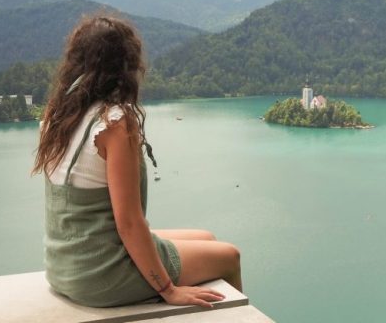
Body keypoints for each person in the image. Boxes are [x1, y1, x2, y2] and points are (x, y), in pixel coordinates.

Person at [32, 15, 241, 308]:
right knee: (229, 256)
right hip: (102, 274)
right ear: (126, 65)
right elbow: (129, 223)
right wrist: (168, 290)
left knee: (206, 237)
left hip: (64, 267)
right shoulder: (114, 123)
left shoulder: (58, 116)